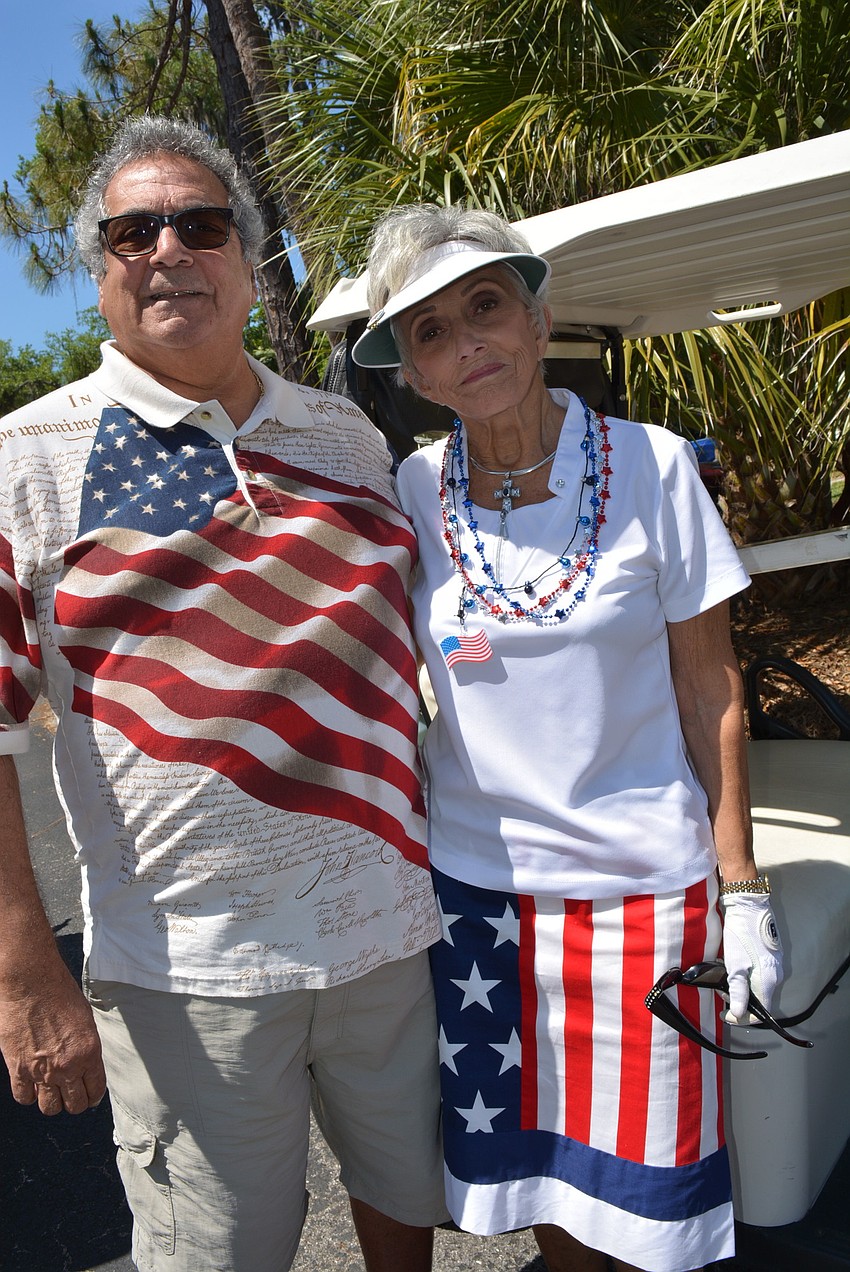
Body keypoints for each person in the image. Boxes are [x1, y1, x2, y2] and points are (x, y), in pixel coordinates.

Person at [0, 118, 448, 1272]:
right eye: (131, 230)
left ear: (248, 261)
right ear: (97, 270)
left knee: (409, 1199)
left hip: (390, 939)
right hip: (187, 975)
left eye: (200, 225)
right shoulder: (24, 458)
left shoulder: (344, 435)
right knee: (219, 1253)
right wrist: (23, 973)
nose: (168, 250)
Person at [350, 204, 785, 1272]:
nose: (468, 345)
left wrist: (743, 887)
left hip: (643, 892)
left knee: (645, 1197)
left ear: (540, 321)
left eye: (486, 308)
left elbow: (710, 687)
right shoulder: (410, 493)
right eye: (432, 333)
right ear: (414, 374)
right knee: (545, 1186)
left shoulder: (648, 467)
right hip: (482, 908)